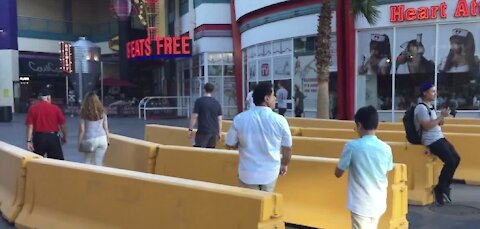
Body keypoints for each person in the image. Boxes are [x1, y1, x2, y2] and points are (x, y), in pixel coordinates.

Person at [225, 81, 292, 192]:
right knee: (267, 206)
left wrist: (241, 143)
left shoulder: (239, 119)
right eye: (273, 95)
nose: (275, 98)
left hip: (247, 174)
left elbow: (229, 144)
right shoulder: (280, 120)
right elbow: (287, 149)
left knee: (248, 207)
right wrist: (284, 164)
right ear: (266, 99)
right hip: (270, 173)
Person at [334, 105, 393, 229]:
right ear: (377, 125)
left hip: (360, 203)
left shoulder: (351, 147)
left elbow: (338, 173)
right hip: (379, 202)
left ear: (359, 125)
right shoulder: (387, 148)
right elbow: (386, 174)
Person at [415, 82, 460, 206]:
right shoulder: (421, 108)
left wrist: (442, 117)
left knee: (456, 158)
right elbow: (427, 126)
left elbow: (437, 123)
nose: (435, 94)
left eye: (435, 91)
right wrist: (440, 117)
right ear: (424, 93)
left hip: (439, 137)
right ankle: (440, 188)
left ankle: (444, 186)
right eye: (432, 91)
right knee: (450, 160)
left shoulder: (431, 106)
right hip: (431, 140)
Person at [25, 88, 67, 160]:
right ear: (48, 98)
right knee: (57, 163)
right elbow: (62, 125)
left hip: (38, 138)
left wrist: (28, 141)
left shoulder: (33, 109)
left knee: (37, 162)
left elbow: (30, 126)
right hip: (53, 138)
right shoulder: (56, 108)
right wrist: (64, 137)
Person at [78, 92, 110, 165]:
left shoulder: (83, 113)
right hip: (102, 139)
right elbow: (106, 128)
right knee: (98, 162)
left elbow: (82, 130)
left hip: (89, 139)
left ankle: (88, 176)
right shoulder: (102, 112)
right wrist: (108, 140)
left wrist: (79, 142)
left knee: (88, 162)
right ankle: (99, 176)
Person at [188, 82, 223, 148]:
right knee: (210, 154)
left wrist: (190, 129)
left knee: (199, 152)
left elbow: (194, 116)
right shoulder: (217, 103)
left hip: (203, 131)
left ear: (204, 90)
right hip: (214, 132)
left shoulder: (199, 101)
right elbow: (220, 119)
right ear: (212, 91)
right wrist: (220, 132)